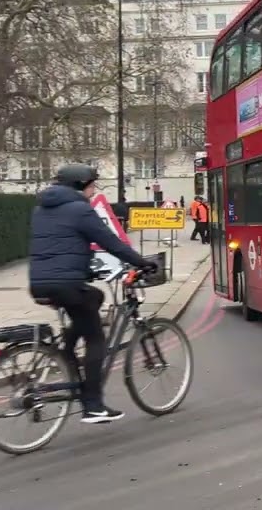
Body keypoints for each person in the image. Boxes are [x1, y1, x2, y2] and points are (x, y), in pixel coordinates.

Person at [28, 164, 158, 424]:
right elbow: (110, 242)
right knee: (96, 337)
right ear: (80, 185)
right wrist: (141, 262)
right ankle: (93, 404)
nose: (94, 190)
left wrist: (85, 270)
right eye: (92, 185)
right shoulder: (80, 209)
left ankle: (65, 350)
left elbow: (58, 244)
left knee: (94, 298)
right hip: (66, 284)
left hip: (39, 283)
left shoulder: (40, 209)